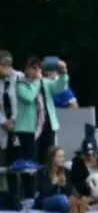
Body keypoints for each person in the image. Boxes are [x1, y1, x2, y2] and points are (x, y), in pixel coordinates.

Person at [15, 57, 70, 198]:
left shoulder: (45, 82)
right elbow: (29, 97)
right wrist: (36, 82)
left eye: (39, 68)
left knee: (49, 159)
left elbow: (60, 87)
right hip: (29, 129)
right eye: (33, 68)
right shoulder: (21, 84)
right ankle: (29, 194)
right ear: (26, 70)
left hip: (47, 126)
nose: (37, 71)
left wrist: (63, 73)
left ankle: (48, 190)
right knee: (30, 162)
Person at [33, 146, 85, 213]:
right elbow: (44, 193)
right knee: (61, 198)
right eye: (60, 157)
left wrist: (64, 186)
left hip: (63, 201)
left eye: (63, 157)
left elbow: (69, 193)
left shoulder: (67, 172)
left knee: (74, 199)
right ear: (52, 158)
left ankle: (74, 210)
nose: (63, 159)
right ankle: (72, 212)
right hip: (46, 201)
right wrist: (57, 185)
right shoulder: (43, 171)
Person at [0, 50, 22, 210]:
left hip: (17, 125)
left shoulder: (19, 78)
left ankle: (15, 196)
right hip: (1, 126)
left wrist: (14, 121)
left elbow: (24, 101)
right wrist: (3, 122)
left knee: (14, 163)